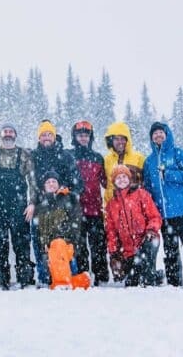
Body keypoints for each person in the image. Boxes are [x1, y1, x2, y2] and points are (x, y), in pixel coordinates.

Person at [143, 122, 183, 286]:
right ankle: (174, 281)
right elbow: (148, 186)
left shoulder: (179, 154)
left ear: (167, 134)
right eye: (154, 134)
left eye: (160, 133)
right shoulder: (149, 161)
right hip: (164, 214)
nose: (158, 136)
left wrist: (169, 174)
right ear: (151, 138)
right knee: (170, 251)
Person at [0, 123, 35, 290]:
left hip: (19, 207)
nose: (8, 134)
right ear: (0, 135)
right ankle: (0, 280)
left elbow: (32, 181)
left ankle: (25, 280)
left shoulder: (24, 155)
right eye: (5, 132)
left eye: (11, 132)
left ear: (15, 135)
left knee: (22, 244)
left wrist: (32, 203)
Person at [31, 119, 84, 286]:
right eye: (43, 135)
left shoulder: (65, 155)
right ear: (39, 138)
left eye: (49, 134)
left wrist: (70, 195)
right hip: (42, 203)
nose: (46, 138)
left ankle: (70, 273)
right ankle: (44, 276)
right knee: (41, 239)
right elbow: (31, 179)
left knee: (65, 240)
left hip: (63, 202)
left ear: (54, 136)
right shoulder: (34, 156)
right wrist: (35, 199)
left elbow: (76, 180)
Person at [105, 165, 162, 287]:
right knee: (131, 282)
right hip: (128, 250)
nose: (122, 180)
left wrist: (151, 230)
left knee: (145, 277)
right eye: (118, 178)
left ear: (129, 179)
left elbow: (155, 217)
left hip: (147, 240)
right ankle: (156, 275)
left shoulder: (142, 194)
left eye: (124, 176)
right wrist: (114, 252)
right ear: (114, 182)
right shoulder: (111, 205)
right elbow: (111, 231)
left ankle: (149, 278)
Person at [69, 121, 109, 286]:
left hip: (95, 208)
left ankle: (101, 277)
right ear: (75, 137)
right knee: (79, 246)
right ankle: (83, 275)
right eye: (80, 135)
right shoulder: (69, 155)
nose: (83, 138)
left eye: (86, 135)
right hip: (76, 209)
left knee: (98, 245)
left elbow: (106, 182)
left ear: (90, 137)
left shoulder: (98, 157)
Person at [35, 170, 90, 290]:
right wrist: (45, 243)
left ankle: (62, 283)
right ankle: (79, 281)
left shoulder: (69, 198)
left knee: (58, 243)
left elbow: (75, 223)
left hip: (68, 243)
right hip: (50, 247)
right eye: (48, 182)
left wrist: (64, 239)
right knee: (53, 249)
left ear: (59, 184)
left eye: (54, 181)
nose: (51, 184)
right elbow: (41, 229)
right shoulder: (41, 205)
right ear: (44, 186)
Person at [103, 122, 145, 204]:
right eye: (116, 139)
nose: (120, 142)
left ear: (127, 140)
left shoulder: (138, 158)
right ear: (111, 141)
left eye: (122, 139)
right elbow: (107, 186)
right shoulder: (106, 160)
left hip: (134, 206)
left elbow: (146, 182)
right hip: (114, 207)